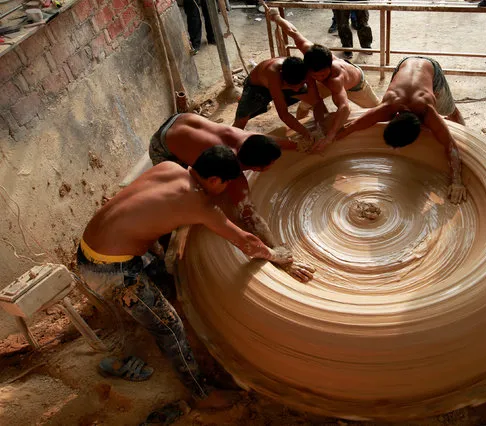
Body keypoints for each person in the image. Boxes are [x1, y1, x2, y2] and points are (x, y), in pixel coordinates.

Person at [77, 148, 293, 413]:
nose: (225, 189)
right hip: (110, 270)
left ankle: (176, 326)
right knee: (169, 327)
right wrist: (275, 254)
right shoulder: (200, 204)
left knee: (166, 283)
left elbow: (156, 209)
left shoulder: (169, 168)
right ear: (214, 180)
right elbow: (247, 243)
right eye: (225, 184)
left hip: (90, 246)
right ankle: (201, 394)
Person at [149, 113, 316, 282]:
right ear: (257, 169)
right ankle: (159, 251)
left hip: (181, 120)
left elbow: (272, 143)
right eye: (270, 165)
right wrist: (279, 254)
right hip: (163, 145)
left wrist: (299, 146)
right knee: (178, 196)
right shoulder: (234, 178)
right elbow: (250, 217)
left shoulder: (248, 139)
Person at [336, 56, 467, 204]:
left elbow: (450, 145)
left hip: (430, 69)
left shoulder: (428, 112)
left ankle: (464, 128)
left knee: (449, 109)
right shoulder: (386, 107)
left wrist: (457, 181)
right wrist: (329, 139)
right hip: (403, 66)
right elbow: (352, 126)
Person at [269, 10, 380, 152]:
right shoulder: (309, 51)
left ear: (329, 65)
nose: (319, 78)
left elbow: (344, 108)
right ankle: (305, 135)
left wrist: (330, 136)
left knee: (378, 110)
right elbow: (293, 31)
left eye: (322, 75)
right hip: (327, 85)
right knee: (305, 105)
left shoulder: (335, 78)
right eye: (315, 75)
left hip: (356, 85)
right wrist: (277, 17)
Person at [232, 56, 326, 145]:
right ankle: (231, 143)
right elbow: (283, 114)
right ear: (283, 78)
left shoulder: (306, 72)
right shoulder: (273, 74)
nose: (296, 90)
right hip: (257, 87)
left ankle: (321, 123)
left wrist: (320, 126)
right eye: (292, 87)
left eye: (301, 83)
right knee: (242, 118)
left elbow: (317, 101)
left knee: (307, 93)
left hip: (283, 86)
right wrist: (305, 133)